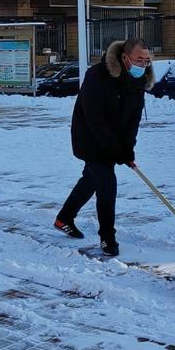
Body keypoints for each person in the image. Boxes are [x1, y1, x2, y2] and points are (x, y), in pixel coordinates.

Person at [53, 38, 155, 257]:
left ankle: (64, 218)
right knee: (106, 183)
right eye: (139, 60)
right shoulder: (97, 76)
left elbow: (133, 120)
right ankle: (107, 237)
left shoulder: (139, 80)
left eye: (147, 61)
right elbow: (95, 120)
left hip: (113, 140)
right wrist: (115, 149)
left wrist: (127, 149)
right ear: (125, 57)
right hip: (89, 138)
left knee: (91, 179)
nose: (144, 65)